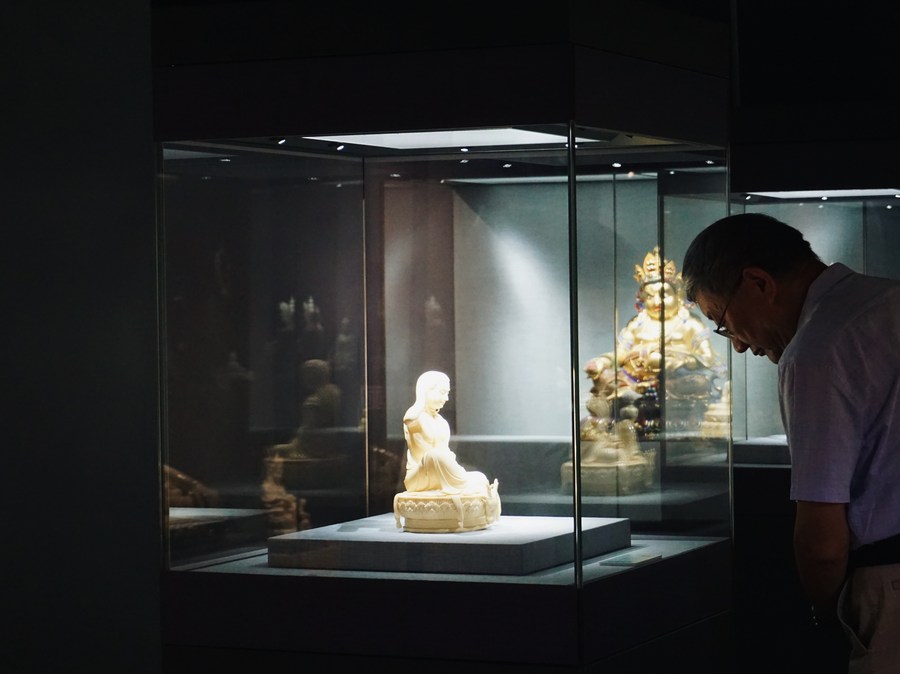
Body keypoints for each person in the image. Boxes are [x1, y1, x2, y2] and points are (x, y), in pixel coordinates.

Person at [681, 212, 900, 673]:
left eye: (722, 321)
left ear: (758, 282)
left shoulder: (816, 353)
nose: (737, 346)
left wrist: (824, 614)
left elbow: (822, 537)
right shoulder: (890, 299)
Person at [402, 370, 493, 497]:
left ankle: (462, 483)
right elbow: (409, 419)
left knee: (480, 477)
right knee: (433, 455)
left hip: (440, 475)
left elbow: (445, 453)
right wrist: (421, 400)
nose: (446, 398)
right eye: (442, 392)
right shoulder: (416, 417)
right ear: (426, 391)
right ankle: (462, 485)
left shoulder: (442, 422)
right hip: (419, 476)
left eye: (448, 393)